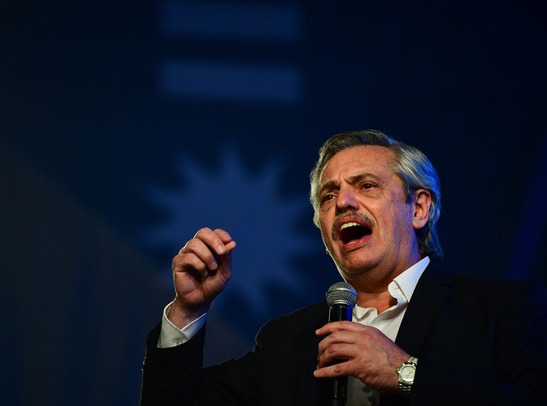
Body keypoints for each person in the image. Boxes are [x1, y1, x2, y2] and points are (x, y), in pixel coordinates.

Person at [140, 130, 547, 406]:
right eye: (329, 195)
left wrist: (404, 373)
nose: (344, 203)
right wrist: (188, 311)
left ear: (419, 208)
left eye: (366, 185)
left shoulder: (503, 311)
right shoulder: (288, 339)